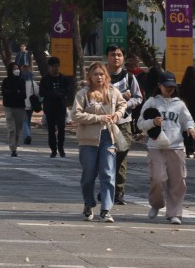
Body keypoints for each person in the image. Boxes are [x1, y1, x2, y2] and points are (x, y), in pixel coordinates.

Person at [138, 71, 195, 225]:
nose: (169, 89)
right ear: (159, 86)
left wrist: (190, 128)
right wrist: (153, 123)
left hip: (176, 147)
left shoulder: (180, 104)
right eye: (166, 86)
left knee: (178, 182)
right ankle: (156, 205)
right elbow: (140, 123)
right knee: (157, 178)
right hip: (156, 146)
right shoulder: (151, 102)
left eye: (172, 86)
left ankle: (174, 214)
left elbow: (188, 120)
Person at [74, 61, 126, 222]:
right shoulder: (83, 93)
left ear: (106, 76)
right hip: (88, 140)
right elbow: (75, 115)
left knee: (108, 173)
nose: (99, 77)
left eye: (102, 74)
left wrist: (118, 114)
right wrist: (98, 118)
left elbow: (122, 104)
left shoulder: (112, 92)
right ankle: (88, 204)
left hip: (108, 137)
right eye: (95, 74)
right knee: (88, 175)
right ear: (90, 76)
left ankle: (106, 209)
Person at [105, 45, 143, 205]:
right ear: (106, 57)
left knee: (121, 156)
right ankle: (106, 190)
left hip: (123, 123)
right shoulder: (101, 75)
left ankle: (118, 192)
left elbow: (138, 97)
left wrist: (125, 103)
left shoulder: (129, 77)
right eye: (113, 54)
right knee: (105, 157)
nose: (116, 57)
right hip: (104, 123)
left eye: (119, 55)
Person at [40, 56, 73, 158]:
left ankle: (61, 147)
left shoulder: (64, 78)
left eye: (57, 66)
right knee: (51, 129)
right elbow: (42, 92)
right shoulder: (45, 79)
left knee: (61, 128)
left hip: (60, 107)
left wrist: (60, 94)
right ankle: (53, 149)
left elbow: (68, 91)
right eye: (53, 66)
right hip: (49, 107)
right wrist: (52, 93)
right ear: (49, 67)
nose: (56, 68)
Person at [1, 62, 27, 157]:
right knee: (11, 128)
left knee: (17, 129)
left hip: (20, 107)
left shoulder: (21, 81)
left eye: (17, 68)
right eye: (14, 68)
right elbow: (4, 93)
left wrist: (13, 93)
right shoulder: (6, 81)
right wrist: (15, 91)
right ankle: (12, 147)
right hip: (9, 107)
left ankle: (15, 145)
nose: (16, 70)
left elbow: (24, 95)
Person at [177, 65, 195, 158]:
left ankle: (188, 149)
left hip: (186, 109)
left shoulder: (183, 84)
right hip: (194, 109)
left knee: (186, 129)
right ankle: (192, 149)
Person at [21, 61, 39, 145]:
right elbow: (37, 92)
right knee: (28, 120)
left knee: (24, 121)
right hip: (31, 104)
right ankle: (28, 135)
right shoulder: (32, 82)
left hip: (22, 104)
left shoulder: (20, 81)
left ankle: (27, 136)